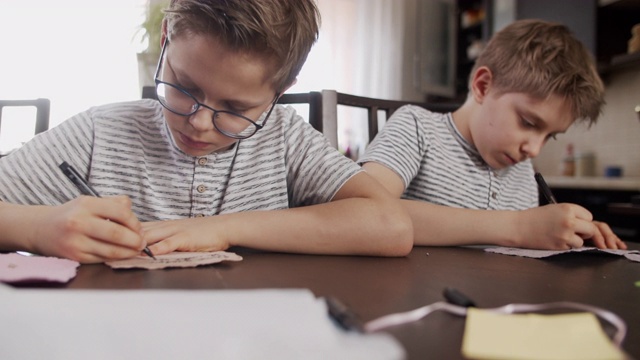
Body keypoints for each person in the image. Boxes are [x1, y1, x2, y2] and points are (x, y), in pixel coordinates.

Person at [0, 0, 412, 263]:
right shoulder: (100, 131)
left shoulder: (285, 137)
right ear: (166, 40)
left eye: (236, 108)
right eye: (185, 87)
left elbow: (390, 225)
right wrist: (38, 228)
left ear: (279, 92)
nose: (198, 122)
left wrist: (220, 228)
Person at [359, 19, 627, 250]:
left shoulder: (521, 170)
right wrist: (518, 227)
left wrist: (570, 232)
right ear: (483, 86)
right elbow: (362, 209)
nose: (534, 150)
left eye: (549, 136)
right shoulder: (416, 127)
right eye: (528, 122)